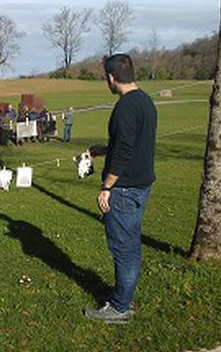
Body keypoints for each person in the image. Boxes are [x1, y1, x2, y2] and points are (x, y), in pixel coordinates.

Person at [85, 54, 157, 324]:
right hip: (141, 184)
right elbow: (131, 142)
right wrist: (102, 150)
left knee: (123, 249)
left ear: (111, 78)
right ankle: (123, 299)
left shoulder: (125, 107)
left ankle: (119, 308)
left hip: (124, 189)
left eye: (107, 77)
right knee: (131, 246)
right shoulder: (146, 101)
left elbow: (126, 150)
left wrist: (107, 187)